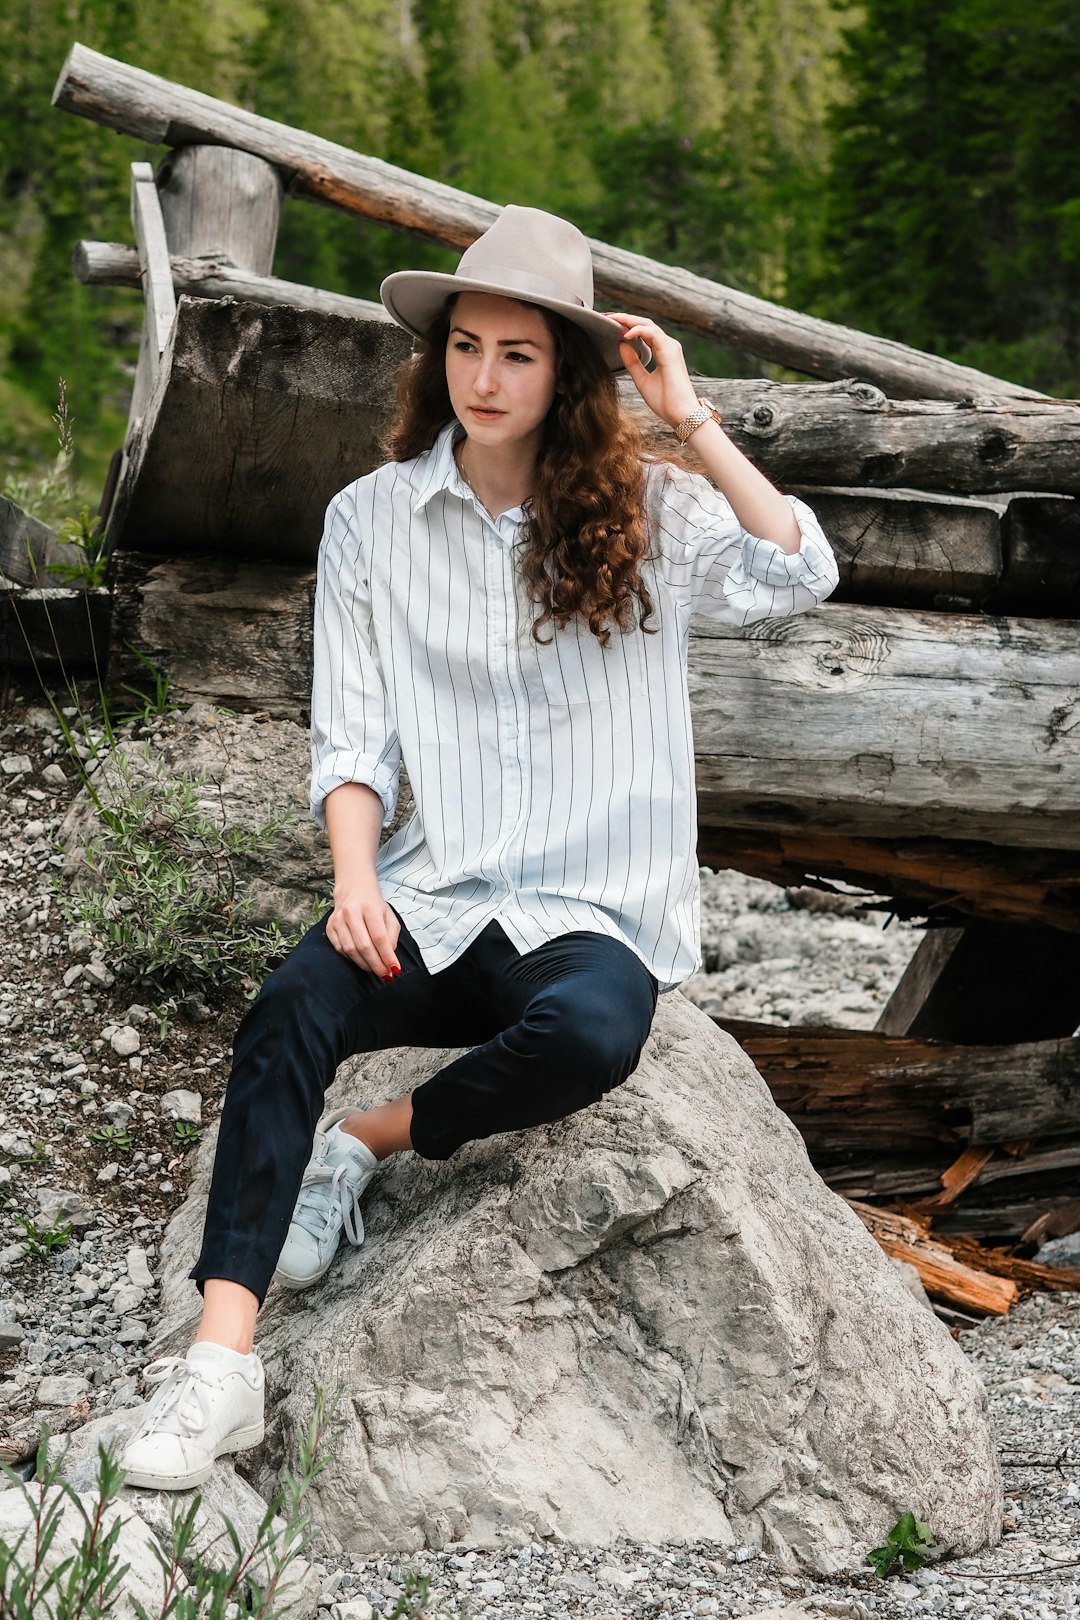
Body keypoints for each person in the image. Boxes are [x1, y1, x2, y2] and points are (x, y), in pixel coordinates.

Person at [119, 206, 838, 1491]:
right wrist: (353, 886)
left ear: (566, 372)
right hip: (435, 897)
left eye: (518, 353)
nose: (485, 378)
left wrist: (692, 418)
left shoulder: (653, 513)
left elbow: (801, 573)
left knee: (592, 1036)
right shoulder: (373, 522)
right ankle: (219, 1369)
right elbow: (352, 744)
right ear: (436, 356)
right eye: (466, 346)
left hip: (589, 912)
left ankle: (369, 1144)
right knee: (291, 1005)